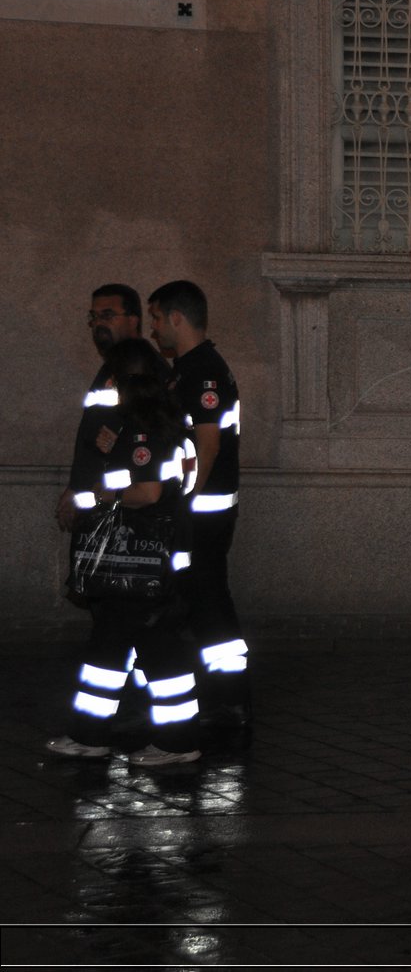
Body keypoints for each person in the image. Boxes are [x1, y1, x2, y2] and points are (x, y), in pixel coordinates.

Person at [47, 338, 201, 766]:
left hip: (139, 556)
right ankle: (101, 734)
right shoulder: (165, 421)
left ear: (122, 379)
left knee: (140, 648)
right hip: (151, 558)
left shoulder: (144, 428)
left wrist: (100, 492)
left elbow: (147, 492)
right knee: (120, 647)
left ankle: (170, 742)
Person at [147, 281, 249, 731]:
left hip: (202, 514)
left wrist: (184, 504)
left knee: (209, 604)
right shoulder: (187, 368)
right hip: (198, 511)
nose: (153, 328)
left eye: (155, 317)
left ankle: (230, 702)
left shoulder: (202, 371)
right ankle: (220, 697)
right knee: (200, 602)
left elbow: (206, 445)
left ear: (176, 318)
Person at [58, 285, 145, 535]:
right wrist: (77, 485)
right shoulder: (111, 369)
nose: (98, 324)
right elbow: (93, 432)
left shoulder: (141, 369)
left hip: (126, 506)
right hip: (102, 499)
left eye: (107, 315)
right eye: (94, 317)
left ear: (133, 320)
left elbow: (148, 438)